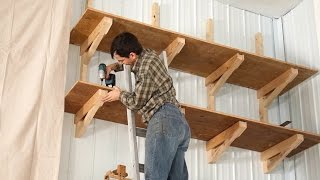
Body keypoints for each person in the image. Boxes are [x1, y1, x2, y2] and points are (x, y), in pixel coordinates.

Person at [102, 32, 190, 180]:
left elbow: (137, 102)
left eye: (122, 60)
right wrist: (114, 67)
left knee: (154, 177)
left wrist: (120, 95)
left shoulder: (145, 70)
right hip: (180, 125)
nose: (122, 63)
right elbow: (132, 63)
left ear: (132, 55)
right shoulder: (148, 54)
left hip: (163, 120)